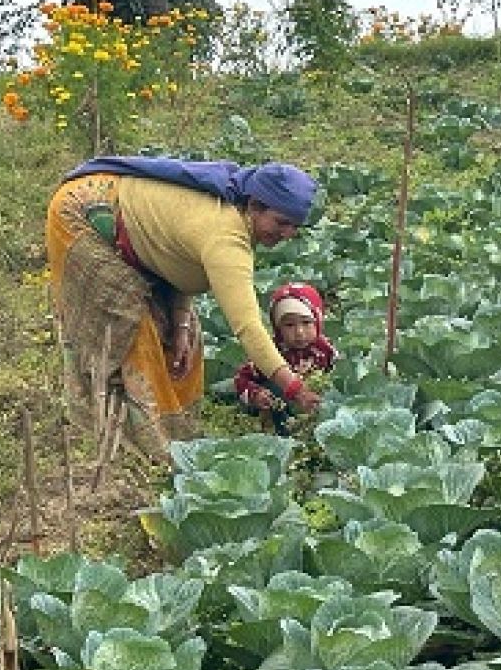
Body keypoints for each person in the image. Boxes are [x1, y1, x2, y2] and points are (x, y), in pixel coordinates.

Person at [46, 155, 325, 454]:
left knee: (186, 337)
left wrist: (179, 323)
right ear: (255, 206)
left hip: (136, 234)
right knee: (132, 328)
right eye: (281, 223)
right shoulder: (226, 238)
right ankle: (134, 439)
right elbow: (248, 327)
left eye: (294, 226)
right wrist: (295, 388)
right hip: (85, 213)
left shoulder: (236, 217)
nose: (287, 235)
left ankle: (179, 435)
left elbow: (177, 258)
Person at [235, 281, 338, 436]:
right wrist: (255, 394)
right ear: (278, 327)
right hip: (277, 409)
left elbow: (338, 375)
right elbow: (241, 379)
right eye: (289, 325)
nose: (299, 332)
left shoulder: (325, 349)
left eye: (306, 323)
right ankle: (284, 434)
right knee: (276, 391)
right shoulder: (270, 352)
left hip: (312, 407)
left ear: (318, 321)